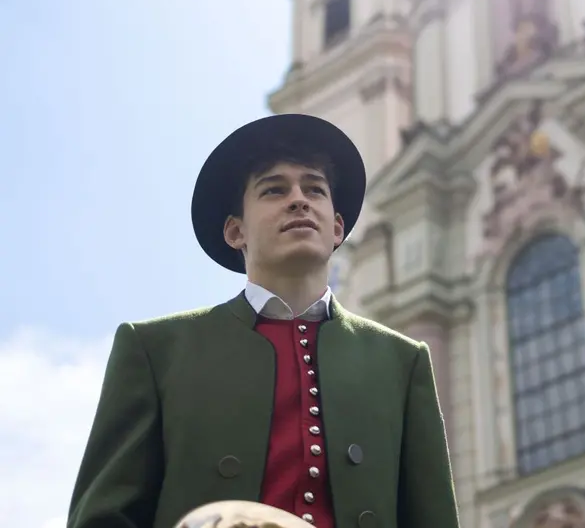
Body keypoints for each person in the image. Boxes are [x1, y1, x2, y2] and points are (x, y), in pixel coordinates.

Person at [67, 114, 460, 528]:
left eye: (315, 189)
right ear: (236, 231)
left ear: (337, 228)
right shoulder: (155, 349)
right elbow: (102, 517)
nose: (299, 199)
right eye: (274, 190)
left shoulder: (403, 361)